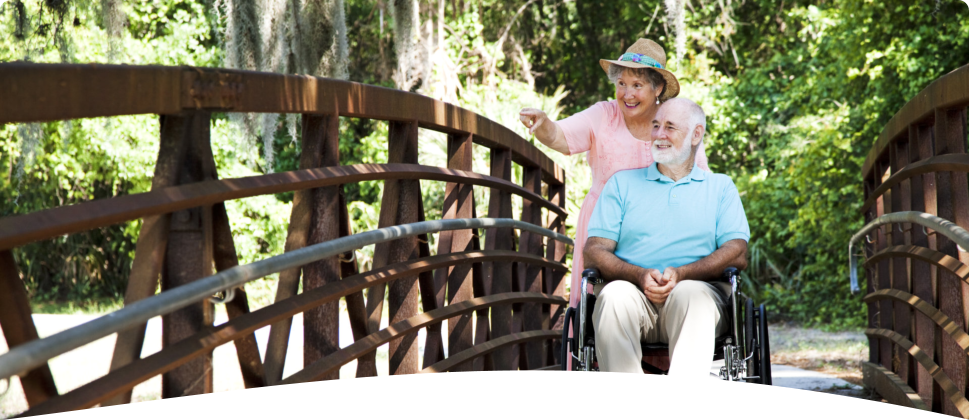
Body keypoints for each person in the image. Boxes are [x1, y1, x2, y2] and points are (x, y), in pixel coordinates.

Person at [518, 38, 709, 315]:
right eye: (622, 84)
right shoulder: (603, 115)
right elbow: (560, 136)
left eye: (637, 85)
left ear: (658, 88)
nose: (627, 94)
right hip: (604, 228)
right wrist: (543, 123)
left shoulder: (675, 121)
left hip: (661, 228)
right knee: (601, 312)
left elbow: (699, 178)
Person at [582, 98, 749, 377]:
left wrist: (683, 273)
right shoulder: (622, 184)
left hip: (699, 295)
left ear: (696, 134)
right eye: (656, 126)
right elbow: (594, 250)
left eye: (670, 127)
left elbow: (737, 251)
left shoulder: (720, 187)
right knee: (612, 296)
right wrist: (638, 275)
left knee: (689, 293)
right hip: (632, 293)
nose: (659, 134)